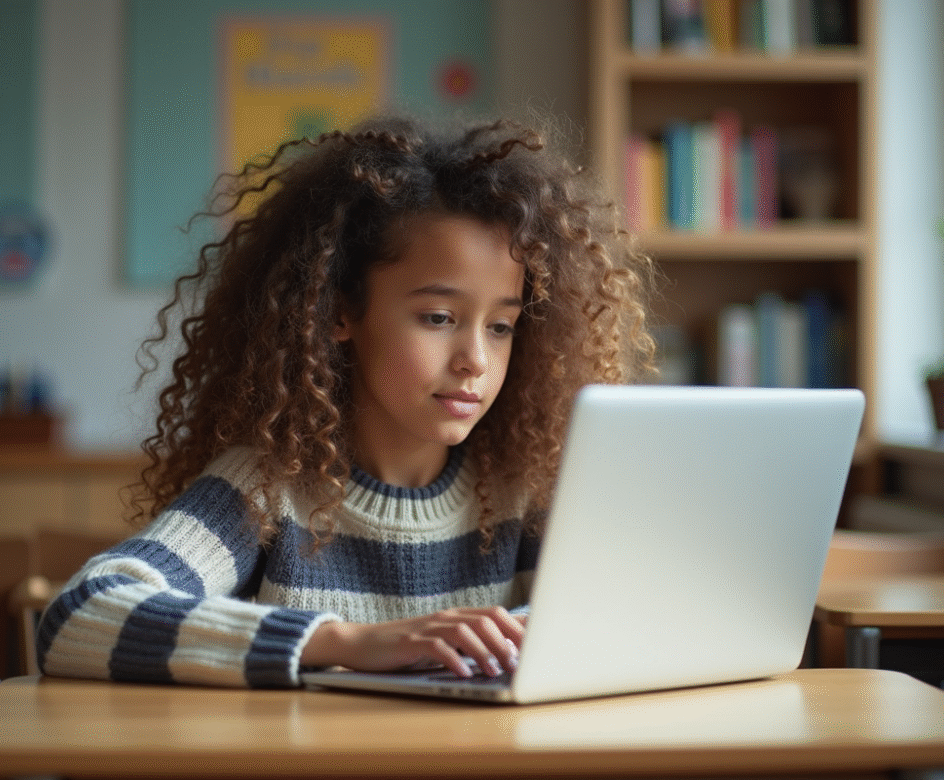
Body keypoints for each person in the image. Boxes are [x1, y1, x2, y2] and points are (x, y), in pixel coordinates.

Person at [36, 114, 654, 689]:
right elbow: (77, 615)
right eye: (438, 317)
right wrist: (344, 642)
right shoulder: (266, 491)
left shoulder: (527, 491)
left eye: (501, 326)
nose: (476, 360)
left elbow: (638, 615)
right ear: (339, 313)